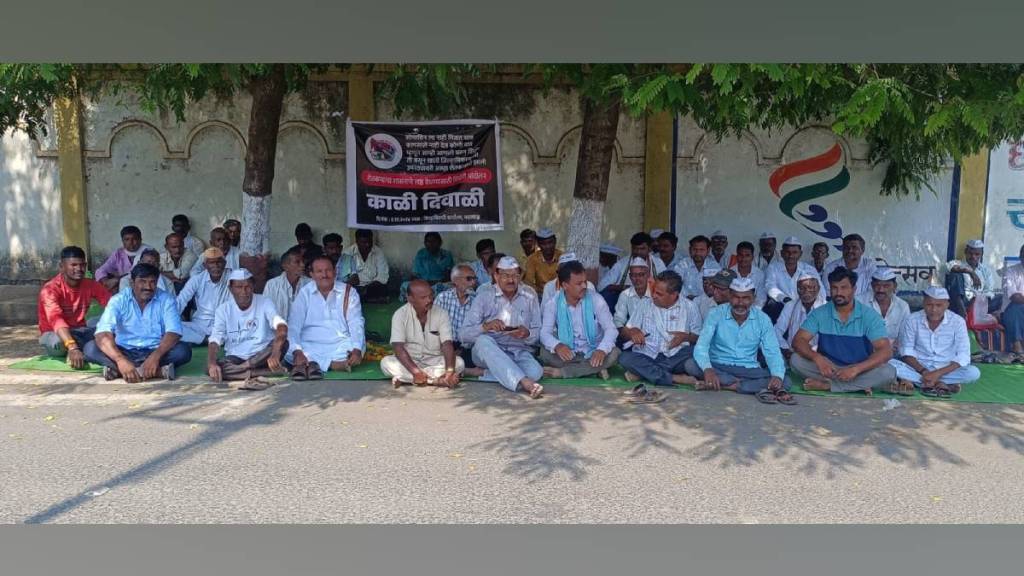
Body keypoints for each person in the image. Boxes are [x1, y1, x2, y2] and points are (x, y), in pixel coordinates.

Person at [791, 266, 896, 395]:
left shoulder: (869, 315)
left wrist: (856, 369)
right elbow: (798, 341)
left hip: (858, 369)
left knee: (888, 372)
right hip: (829, 368)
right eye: (834, 288)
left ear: (854, 289)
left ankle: (827, 386)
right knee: (795, 360)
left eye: (844, 288)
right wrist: (818, 358)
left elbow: (885, 351)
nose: (838, 293)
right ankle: (857, 386)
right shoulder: (820, 313)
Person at [692, 277, 795, 404]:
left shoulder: (762, 319)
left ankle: (731, 385)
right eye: (736, 297)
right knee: (691, 364)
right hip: (718, 365)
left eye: (746, 298)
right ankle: (748, 386)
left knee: (785, 380)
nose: (740, 303)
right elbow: (701, 346)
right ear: (729, 296)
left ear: (754, 298)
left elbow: (772, 351)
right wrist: (708, 369)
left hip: (748, 369)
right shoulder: (715, 314)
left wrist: (777, 376)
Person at [83, 263, 192, 382]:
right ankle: (156, 372)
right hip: (124, 351)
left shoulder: (166, 300)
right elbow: (102, 333)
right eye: (142, 281)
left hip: (155, 350)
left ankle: (121, 371)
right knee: (90, 348)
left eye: (152, 282)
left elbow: (173, 332)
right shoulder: (118, 300)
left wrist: (155, 357)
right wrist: (120, 360)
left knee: (183, 351)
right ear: (132, 282)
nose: (148, 287)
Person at [459, 256, 545, 399]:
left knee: (536, 372)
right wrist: (485, 327)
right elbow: (463, 334)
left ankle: (479, 373)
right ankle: (525, 382)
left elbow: (537, 332)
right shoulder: (484, 296)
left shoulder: (529, 295)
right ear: (496, 275)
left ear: (520, 276)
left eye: (515, 276)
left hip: (517, 351)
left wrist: (527, 333)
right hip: (487, 352)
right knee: (483, 341)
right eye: (505, 275)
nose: (511, 280)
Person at [618, 270, 704, 403]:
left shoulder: (690, 307)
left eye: (659, 294)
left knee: (694, 354)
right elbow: (625, 332)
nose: (654, 296)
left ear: (674, 295)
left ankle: (645, 373)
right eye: (653, 291)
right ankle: (675, 378)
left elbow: (699, 338)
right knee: (624, 358)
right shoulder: (645, 304)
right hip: (648, 355)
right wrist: (633, 332)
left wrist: (685, 337)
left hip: (676, 357)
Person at [888, 287, 980, 397]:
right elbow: (906, 352)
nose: (934, 310)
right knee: (889, 364)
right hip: (918, 368)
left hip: (945, 369)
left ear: (947, 305)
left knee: (973, 373)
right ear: (923, 303)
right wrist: (924, 372)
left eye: (939, 305)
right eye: (929, 305)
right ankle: (940, 383)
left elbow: (963, 355)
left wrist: (937, 373)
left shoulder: (957, 322)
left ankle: (923, 382)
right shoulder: (912, 320)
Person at [287, 255, 366, 380]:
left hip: (340, 343)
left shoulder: (348, 292)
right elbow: (294, 326)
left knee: (356, 348)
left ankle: (311, 364)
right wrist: (297, 352)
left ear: (335, 272)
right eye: (319, 271)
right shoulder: (304, 293)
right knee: (289, 350)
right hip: (309, 343)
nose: (324, 275)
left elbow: (356, 322)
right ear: (311, 274)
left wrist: (356, 349)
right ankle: (334, 365)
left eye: (328, 270)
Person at [207, 269, 288, 390]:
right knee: (210, 367)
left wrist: (276, 353)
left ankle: (243, 371)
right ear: (230, 289)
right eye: (239, 287)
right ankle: (259, 372)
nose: (244, 292)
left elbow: (281, 326)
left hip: (263, 355)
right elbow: (215, 338)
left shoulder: (264, 302)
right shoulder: (223, 309)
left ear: (253, 286)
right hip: (236, 357)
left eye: (247, 287)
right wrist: (212, 363)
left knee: (284, 343)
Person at [539, 260, 620, 379]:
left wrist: (601, 350)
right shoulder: (553, 303)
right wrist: (558, 346)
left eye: (585, 282)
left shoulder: (596, 299)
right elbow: (544, 333)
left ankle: (564, 373)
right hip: (569, 353)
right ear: (565, 285)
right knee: (544, 353)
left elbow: (611, 330)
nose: (584, 286)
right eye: (578, 283)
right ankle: (595, 369)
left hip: (593, 350)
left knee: (614, 354)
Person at [380, 280, 464, 389]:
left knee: (459, 363)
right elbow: (398, 348)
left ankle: (407, 378)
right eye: (423, 297)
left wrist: (449, 371)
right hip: (410, 361)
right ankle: (434, 381)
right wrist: (415, 371)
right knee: (386, 363)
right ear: (410, 299)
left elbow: (447, 344)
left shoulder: (441, 314)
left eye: (431, 296)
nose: (429, 300)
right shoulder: (400, 315)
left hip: (434, 361)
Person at [38, 246, 112, 368]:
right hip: (55, 334)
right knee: (58, 343)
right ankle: (79, 348)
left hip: (80, 331)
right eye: (73, 265)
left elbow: (113, 305)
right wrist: (72, 346)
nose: (79, 269)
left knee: (105, 321)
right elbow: (56, 320)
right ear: (62, 266)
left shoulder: (90, 284)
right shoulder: (50, 289)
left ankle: (86, 346)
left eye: (82, 265)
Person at [177, 247, 232, 345]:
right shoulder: (197, 279)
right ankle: (208, 340)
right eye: (211, 262)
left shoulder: (233, 277)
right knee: (174, 328)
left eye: (219, 262)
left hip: (225, 326)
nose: (216, 266)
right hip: (200, 326)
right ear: (205, 265)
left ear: (224, 263)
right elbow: (181, 301)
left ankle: (199, 340)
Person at [764, 236, 825, 322]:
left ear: (800, 254)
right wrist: (785, 299)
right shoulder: (773, 267)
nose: (791, 255)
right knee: (772, 305)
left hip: (806, 307)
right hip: (782, 306)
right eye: (787, 252)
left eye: (794, 252)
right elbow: (769, 287)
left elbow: (821, 291)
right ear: (782, 253)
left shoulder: (809, 269)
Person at [599, 233, 665, 309]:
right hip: (625, 302)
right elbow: (601, 285)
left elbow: (666, 285)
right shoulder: (622, 263)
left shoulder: (658, 263)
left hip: (651, 302)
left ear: (649, 249)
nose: (638, 252)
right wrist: (623, 287)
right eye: (635, 248)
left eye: (642, 249)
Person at [939, 239, 999, 318]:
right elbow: (944, 268)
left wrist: (978, 299)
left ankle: (976, 313)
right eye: (970, 253)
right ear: (965, 252)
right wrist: (970, 272)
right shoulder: (957, 263)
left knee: (1000, 298)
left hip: (979, 303)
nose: (973, 257)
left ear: (981, 254)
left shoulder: (985, 270)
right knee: (955, 275)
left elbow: (989, 290)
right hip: (961, 302)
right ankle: (962, 311)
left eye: (977, 254)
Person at [434, 264, 479, 365]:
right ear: (456, 281)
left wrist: (461, 349)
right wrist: (445, 348)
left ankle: (455, 367)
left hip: (466, 347)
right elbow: (434, 328)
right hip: (444, 344)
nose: (473, 282)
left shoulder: (477, 301)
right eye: (469, 279)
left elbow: (477, 332)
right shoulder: (442, 298)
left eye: (474, 279)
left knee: (475, 357)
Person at [774, 272, 826, 360]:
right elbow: (776, 331)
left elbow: (827, 341)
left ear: (818, 289)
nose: (806, 291)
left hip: (817, 356)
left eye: (811, 287)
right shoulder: (790, 305)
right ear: (797, 290)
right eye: (802, 288)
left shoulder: (826, 308)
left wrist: (808, 352)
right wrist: (786, 349)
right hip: (791, 354)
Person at [858, 267, 910, 348]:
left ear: (895, 286)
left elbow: (904, 338)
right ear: (872, 285)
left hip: (893, 355)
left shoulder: (903, 306)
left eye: (886, 286)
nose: (881, 290)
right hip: (864, 352)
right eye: (877, 285)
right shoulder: (859, 302)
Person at [95, 225, 152, 292]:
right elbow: (100, 271)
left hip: (144, 287)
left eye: (134, 239)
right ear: (122, 241)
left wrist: (117, 279)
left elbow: (139, 274)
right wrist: (107, 281)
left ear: (140, 239)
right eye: (127, 239)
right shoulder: (119, 253)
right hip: (124, 287)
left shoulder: (149, 252)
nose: (131, 242)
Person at [821, 233, 877, 300]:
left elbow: (872, 291)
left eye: (854, 247)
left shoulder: (869, 266)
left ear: (862, 250)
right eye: (846, 247)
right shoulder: (831, 268)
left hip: (864, 306)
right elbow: (828, 295)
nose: (850, 250)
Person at [264, 247, 312, 321]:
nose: (302, 265)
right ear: (285, 266)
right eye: (297, 262)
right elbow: (266, 312)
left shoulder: (310, 284)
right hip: (279, 330)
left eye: (303, 261)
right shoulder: (272, 285)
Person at [343, 228, 389, 304]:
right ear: (357, 241)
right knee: (347, 290)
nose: (367, 245)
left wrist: (368, 288)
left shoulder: (378, 252)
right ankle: (368, 299)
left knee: (383, 288)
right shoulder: (348, 253)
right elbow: (345, 278)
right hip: (355, 287)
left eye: (369, 242)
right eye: (364, 242)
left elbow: (383, 275)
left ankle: (362, 298)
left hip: (372, 286)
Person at [402, 232, 454, 299]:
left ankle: (425, 297)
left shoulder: (446, 255)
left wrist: (436, 283)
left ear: (440, 242)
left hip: (438, 284)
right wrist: (422, 284)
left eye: (434, 241)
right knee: (405, 285)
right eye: (428, 241)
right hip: (422, 284)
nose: (430, 244)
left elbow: (449, 276)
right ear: (424, 243)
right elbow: (414, 275)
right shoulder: (421, 253)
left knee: (448, 287)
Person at [613, 257, 653, 341]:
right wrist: (628, 332)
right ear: (630, 277)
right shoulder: (625, 295)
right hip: (633, 339)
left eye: (641, 275)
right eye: (634, 275)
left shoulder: (655, 293)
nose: (637, 279)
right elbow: (618, 321)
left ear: (648, 275)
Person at [673, 235, 721, 299]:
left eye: (701, 250)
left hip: (707, 302)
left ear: (708, 250)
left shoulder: (714, 266)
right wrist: (688, 297)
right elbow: (675, 284)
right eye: (695, 249)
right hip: (686, 301)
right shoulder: (682, 264)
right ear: (690, 250)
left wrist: (700, 300)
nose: (698, 253)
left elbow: (718, 288)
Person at [1000, 243, 1024, 355]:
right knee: (1017, 306)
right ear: (1020, 256)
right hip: (1010, 310)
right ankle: (1016, 345)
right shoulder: (1010, 271)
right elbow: (1015, 297)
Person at [523, 228, 562, 294]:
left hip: (560, 292)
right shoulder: (532, 259)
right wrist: (543, 292)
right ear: (538, 244)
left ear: (555, 241)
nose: (548, 246)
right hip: (541, 293)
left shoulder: (562, 257)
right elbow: (528, 282)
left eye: (550, 242)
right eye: (544, 244)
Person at [730, 241, 767, 308]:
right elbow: (728, 297)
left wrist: (751, 313)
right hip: (733, 310)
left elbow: (761, 299)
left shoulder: (759, 274)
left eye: (747, 255)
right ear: (737, 256)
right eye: (741, 255)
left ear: (752, 257)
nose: (743, 259)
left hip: (753, 311)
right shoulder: (730, 272)